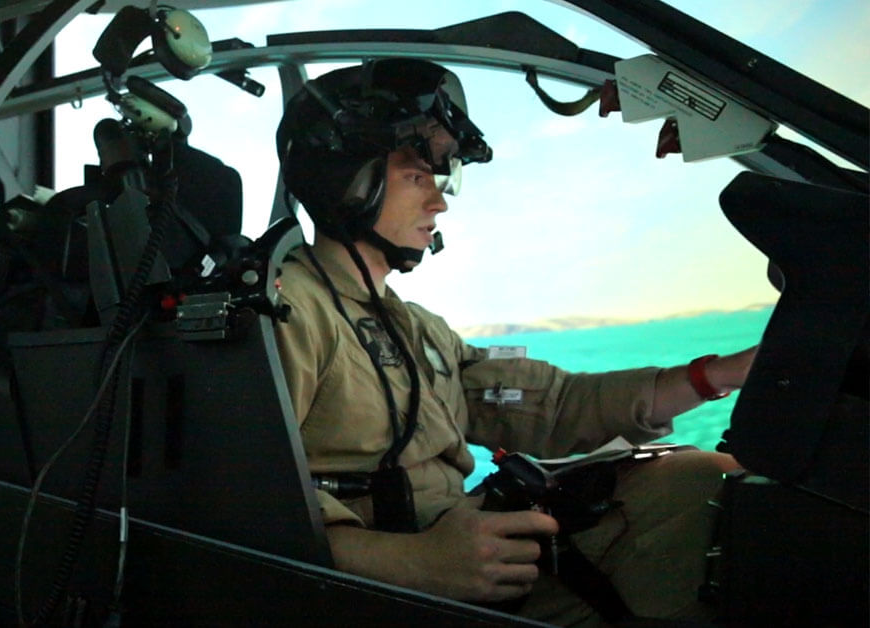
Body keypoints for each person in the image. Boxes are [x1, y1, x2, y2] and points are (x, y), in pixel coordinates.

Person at [272, 58, 757, 626]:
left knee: (702, 480)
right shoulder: (289, 310)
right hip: (392, 592)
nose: (440, 203)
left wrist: (714, 376)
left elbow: (551, 404)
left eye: (439, 180)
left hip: (462, 554)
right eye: (416, 178)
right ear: (349, 182)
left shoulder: (419, 328)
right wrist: (415, 562)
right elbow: (245, 503)